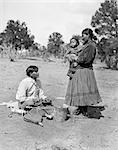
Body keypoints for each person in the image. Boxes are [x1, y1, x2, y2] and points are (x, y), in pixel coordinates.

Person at [63, 28, 102, 118]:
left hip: (84, 70)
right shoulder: (86, 45)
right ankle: (82, 108)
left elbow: (85, 60)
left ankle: (84, 109)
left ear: (89, 35)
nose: (83, 36)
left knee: (82, 89)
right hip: (81, 69)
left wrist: (74, 57)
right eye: (82, 34)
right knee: (81, 90)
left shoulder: (91, 46)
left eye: (84, 34)